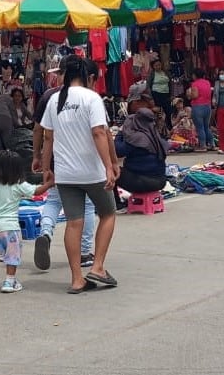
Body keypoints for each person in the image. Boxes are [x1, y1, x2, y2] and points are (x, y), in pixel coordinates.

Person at [41, 55, 118, 294]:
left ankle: (76, 279)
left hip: (65, 173)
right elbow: (99, 132)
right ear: (86, 75)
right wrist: (109, 165)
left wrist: (46, 169)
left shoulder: (54, 100)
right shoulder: (91, 98)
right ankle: (97, 267)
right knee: (108, 214)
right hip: (91, 172)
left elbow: (47, 137)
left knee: (74, 223)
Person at [31, 57, 97, 271]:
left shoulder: (49, 97)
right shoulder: (88, 97)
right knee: (86, 206)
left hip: (57, 160)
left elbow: (40, 130)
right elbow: (98, 132)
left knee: (53, 200)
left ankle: (46, 233)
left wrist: (38, 157)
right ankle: (85, 252)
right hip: (82, 162)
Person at [0, 151, 52, 293]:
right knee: (13, 254)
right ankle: (9, 282)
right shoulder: (17, 184)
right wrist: (49, 184)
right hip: (10, 228)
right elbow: (36, 191)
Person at [114, 107, 169, 209]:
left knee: (111, 171)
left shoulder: (137, 138)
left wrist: (120, 133)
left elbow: (118, 151)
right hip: (161, 181)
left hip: (143, 182)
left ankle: (115, 203)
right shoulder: (155, 135)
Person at [189, 69, 213, 152]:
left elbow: (195, 95)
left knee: (200, 127)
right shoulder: (207, 82)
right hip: (207, 106)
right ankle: (212, 144)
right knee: (206, 127)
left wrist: (189, 94)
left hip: (198, 106)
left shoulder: (195, 84)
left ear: (195, 75)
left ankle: (203, 145)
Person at [148, 59, 172, 128]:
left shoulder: (166, 72)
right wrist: (151, 97)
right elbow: (148, 86)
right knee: (158, 112)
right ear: (153, 67)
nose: (158, 67)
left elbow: (170, 84)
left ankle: (169, 127)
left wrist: (171, 94)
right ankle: (158, 128)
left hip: (166, 94)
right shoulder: (152, 74)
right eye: (156, 65)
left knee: (168, 111)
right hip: (156, 94)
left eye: (159, 65)